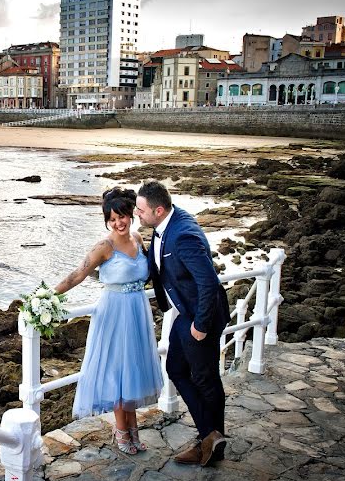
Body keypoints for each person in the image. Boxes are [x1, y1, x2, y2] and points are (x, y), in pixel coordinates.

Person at [54, 187, 163, 455]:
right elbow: (77, 275)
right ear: (107, 221)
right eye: (112, 219)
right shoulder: (104, 247)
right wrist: (46, 297)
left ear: (131, 215)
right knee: (117, 370)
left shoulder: (137, 238)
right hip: (114, 313)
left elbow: (154, 270)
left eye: (122, 217)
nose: (118, 223)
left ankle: (133, 428)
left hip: (137, 310)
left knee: (134, 369)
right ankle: (121, 430)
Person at [135, 181, 231, 466]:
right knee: (175, 368)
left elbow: (208, 283)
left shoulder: (183, 236)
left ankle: (213, 444)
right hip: (185, 312)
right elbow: (160, 263)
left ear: (159, 209)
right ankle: (210, 437)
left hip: (201, 317)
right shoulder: (165, 224)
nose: (137, 214)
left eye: (141, 210)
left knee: (205, 380)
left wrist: (201, 325)